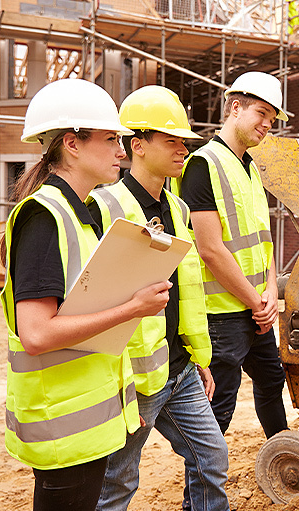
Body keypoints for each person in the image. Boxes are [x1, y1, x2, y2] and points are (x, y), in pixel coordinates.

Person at [0, 78, 172, 511]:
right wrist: (132, 308)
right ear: (72, 144)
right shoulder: (44, 216)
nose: (121, 149)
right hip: (62, 427)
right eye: (111, 138)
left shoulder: (85, 212)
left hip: (85, 423)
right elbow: (37, 334)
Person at [88, 85, 229, 511]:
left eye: (184, 142)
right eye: (171, 141)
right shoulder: (102, 207)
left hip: (178, 366)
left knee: (212, 458)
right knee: (118, 481)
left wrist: (198, 356)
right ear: (138, 145)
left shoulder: (179, 209)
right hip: (133, 373)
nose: (182, 149)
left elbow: (188, 291)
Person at [175, 71, 289, 439]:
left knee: (272, 380)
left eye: (273, 118)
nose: (268, 124)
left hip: (255, 307)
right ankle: (200, 498)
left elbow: (263, 241)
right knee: (219, 409)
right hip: (223, 316)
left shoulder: (252, 168)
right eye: (262, 113)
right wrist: (257, 301)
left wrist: (271, 291)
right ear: (235, 108)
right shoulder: (201, 165)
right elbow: (210, 249)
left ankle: (284, 455)